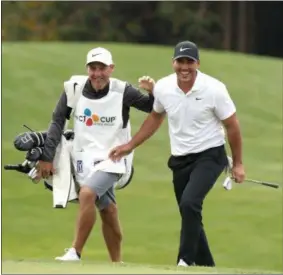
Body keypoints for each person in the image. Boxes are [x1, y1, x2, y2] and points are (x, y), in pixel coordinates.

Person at [109, 41, 245, 267]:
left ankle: (185, 261)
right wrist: (130, 145)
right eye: (180, 62)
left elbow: (232, 126)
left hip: (210, 155)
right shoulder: (163, 87)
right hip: (180, 160)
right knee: (188, 211)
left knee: (190, 204)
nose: (184, 67)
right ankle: (207, 267)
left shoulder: (214, 89)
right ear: (173, 63)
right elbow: (155, 117)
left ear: (197, 64)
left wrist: (238, 163)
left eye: (189, 62)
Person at [36, 47, 155, 262]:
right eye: (93, 68)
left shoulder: (123, 90)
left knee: (88, 194)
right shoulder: (74, 87)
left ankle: (75, 252)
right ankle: (116, 264)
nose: (97, 73)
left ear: (111, 69)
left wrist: (152, 91)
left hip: (115, 158)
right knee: (108, 210)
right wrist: (47, 156)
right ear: (87, 68)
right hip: (85, 159)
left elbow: (153, 108)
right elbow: (57, 120)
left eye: (102, 68)